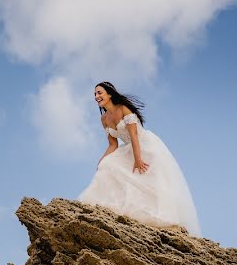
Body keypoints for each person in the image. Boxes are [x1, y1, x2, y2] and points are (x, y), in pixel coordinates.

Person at [78, 82, 201, 236]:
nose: (96, 96)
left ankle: (160, 218)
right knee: (108, 165)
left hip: (145, 145)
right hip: (128, 148)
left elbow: (134, 136)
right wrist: (101, 162)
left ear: (109, 94)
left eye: (99, 93)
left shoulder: (123, 108)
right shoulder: (104, 119)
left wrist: (138, 159)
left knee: (149, 179)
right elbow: (112, 144)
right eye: (95, 94)